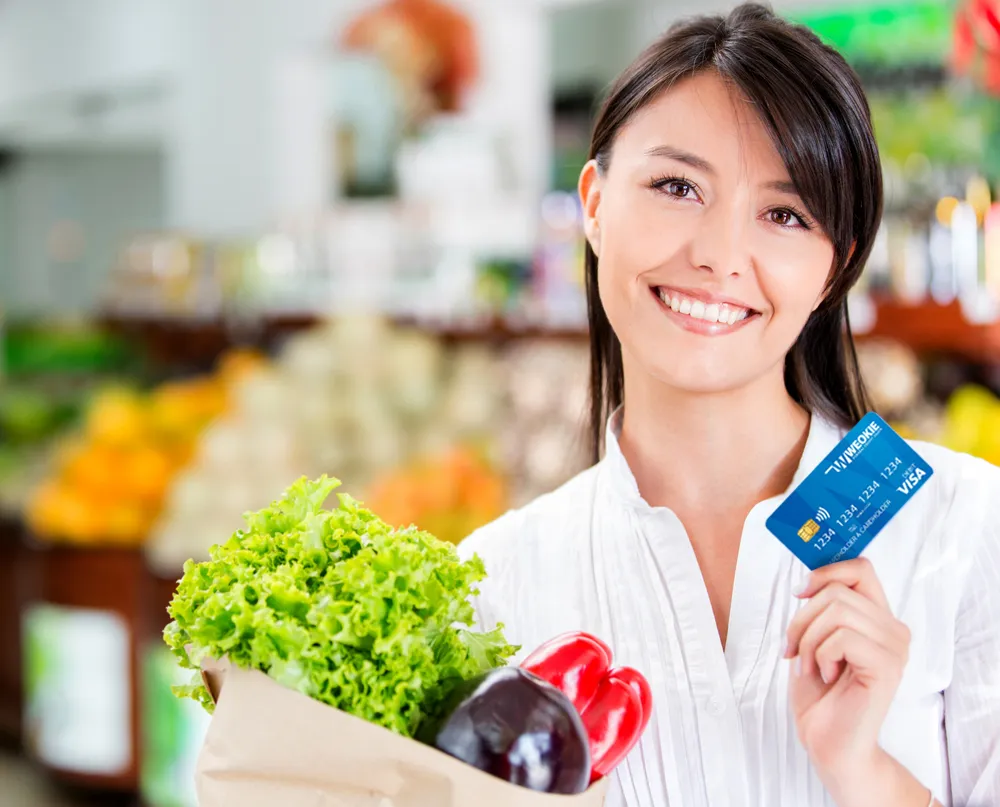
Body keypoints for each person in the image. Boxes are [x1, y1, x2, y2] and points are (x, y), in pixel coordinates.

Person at [459, 5, 1000, 806]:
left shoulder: (969, 529)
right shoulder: (492, 584)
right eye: (677, 186)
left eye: (784, 214)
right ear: (595, 204)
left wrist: (864, 770)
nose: (717, 257)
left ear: (835, 265)